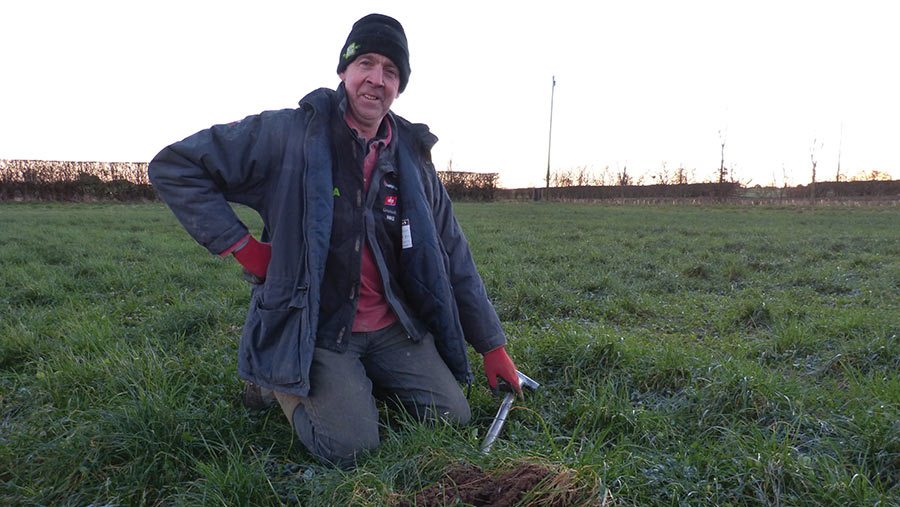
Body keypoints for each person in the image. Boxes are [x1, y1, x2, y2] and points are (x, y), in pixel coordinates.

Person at [148, 13, 520, 468]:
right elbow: (175, 165)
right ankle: (277, 383)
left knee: (452, 418)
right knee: (351, 449)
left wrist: (491, 345)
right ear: (344, 70)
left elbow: (453, 250)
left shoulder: (413, 159)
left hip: (389, 324)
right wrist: (243, 247)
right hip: (316, 325)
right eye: (366, 63)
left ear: (399, 86)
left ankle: (354, 381)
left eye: (391, 71)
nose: (376, 80)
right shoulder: (288, 135)